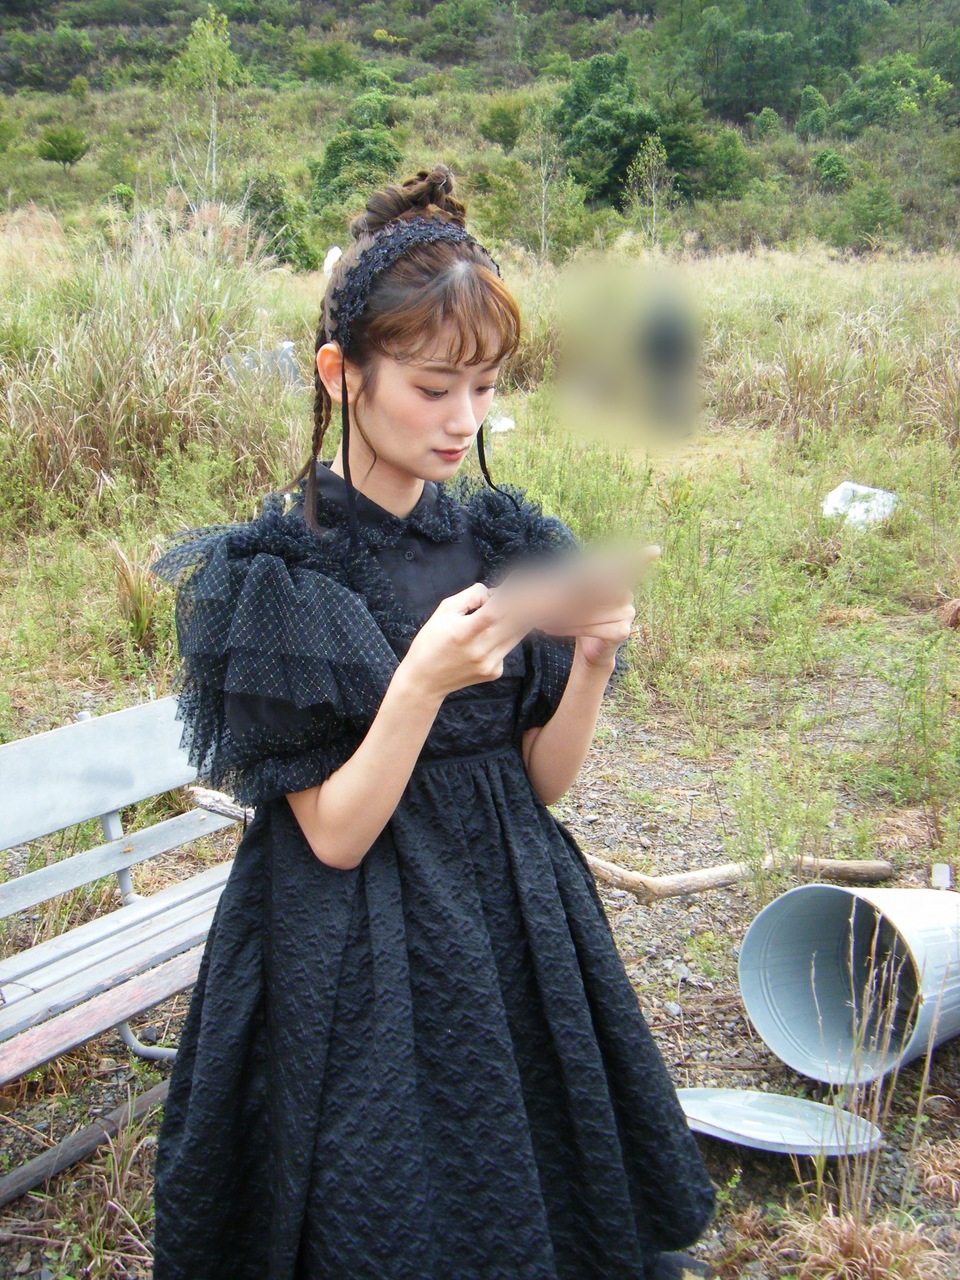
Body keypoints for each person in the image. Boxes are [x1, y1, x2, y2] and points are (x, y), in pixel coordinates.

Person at [150, 164, 716, 1280]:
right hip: (355, 940)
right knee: (384, 1200)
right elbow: (333, 836)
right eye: (431, 387)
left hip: (511, 908)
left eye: (486, 386)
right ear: (340, 373)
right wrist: (419, 682)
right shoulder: (281, 577)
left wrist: (593, 657)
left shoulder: (499, 541)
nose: (465, 420)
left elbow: (537, 784)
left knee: (529, 1171)